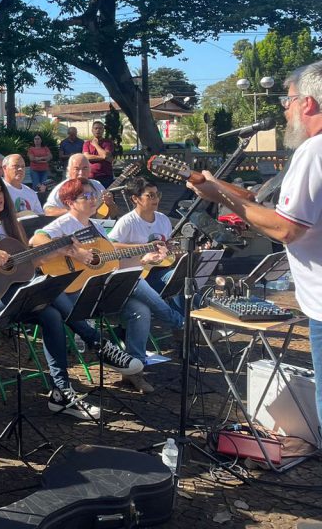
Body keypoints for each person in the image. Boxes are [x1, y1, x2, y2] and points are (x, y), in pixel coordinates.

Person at [187, 60, 322, 436]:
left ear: (308, 104)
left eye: (289, 99)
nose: (285, 108)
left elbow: (285, 228)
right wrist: (220, 188)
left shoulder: (314, 151)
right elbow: (261, 202)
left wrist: (219, 197)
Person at [0, 173, 109, 420]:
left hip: (11, 295)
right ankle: (95, 340)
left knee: (51, 314)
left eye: (0, 191)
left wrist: (58, 249)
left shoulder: (10, 225)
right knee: (41, 289)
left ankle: (61, 391)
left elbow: (24, 265)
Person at [31, 178, 161, 394]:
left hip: (99, 289)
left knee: (140, 310)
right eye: (87, 196)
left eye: (94, 195)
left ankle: (132, 373)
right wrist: (75, 252)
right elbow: (37, 240)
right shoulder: (64, 223)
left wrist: (146, 255)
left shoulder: (94, 225)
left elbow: (111, 257)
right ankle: (177, 321)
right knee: (138, 289)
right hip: (75, 291)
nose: (94, 200)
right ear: (70, 202)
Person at [106, 178, 185, 392]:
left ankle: (182, 329)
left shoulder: (162, 220)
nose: (155, 199)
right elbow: (110, 248)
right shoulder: (127, 222)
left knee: (181, 280)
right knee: (141, 310)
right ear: (135, 199)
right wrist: (144, 252)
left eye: (157, 195)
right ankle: (181, 325)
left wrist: (164, 254)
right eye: (149, 195)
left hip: (154, 274)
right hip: (128, 278)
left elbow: (166, 248)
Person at [44, 154, 115, 218]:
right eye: (76, 169)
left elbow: (113, 214)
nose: (81, 173)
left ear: (90, 169)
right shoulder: (62, 188)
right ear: (69, 170)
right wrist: (74, 212)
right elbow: (48, 211)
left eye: (85, 168)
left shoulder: (97, 185)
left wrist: (110, 203)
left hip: (100, 226)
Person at [83, 121, 115, 189]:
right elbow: (87, 157)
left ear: (103, 130)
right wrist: (103, 157)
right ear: (92, 130)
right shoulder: (87, 143)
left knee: (106, 197)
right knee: (91, 197)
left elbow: (105, 155)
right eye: (96, 128)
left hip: (106, 176)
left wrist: (96, 145)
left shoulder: (108, 142)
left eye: (100, 128)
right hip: (91, 176)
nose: (98, 130)